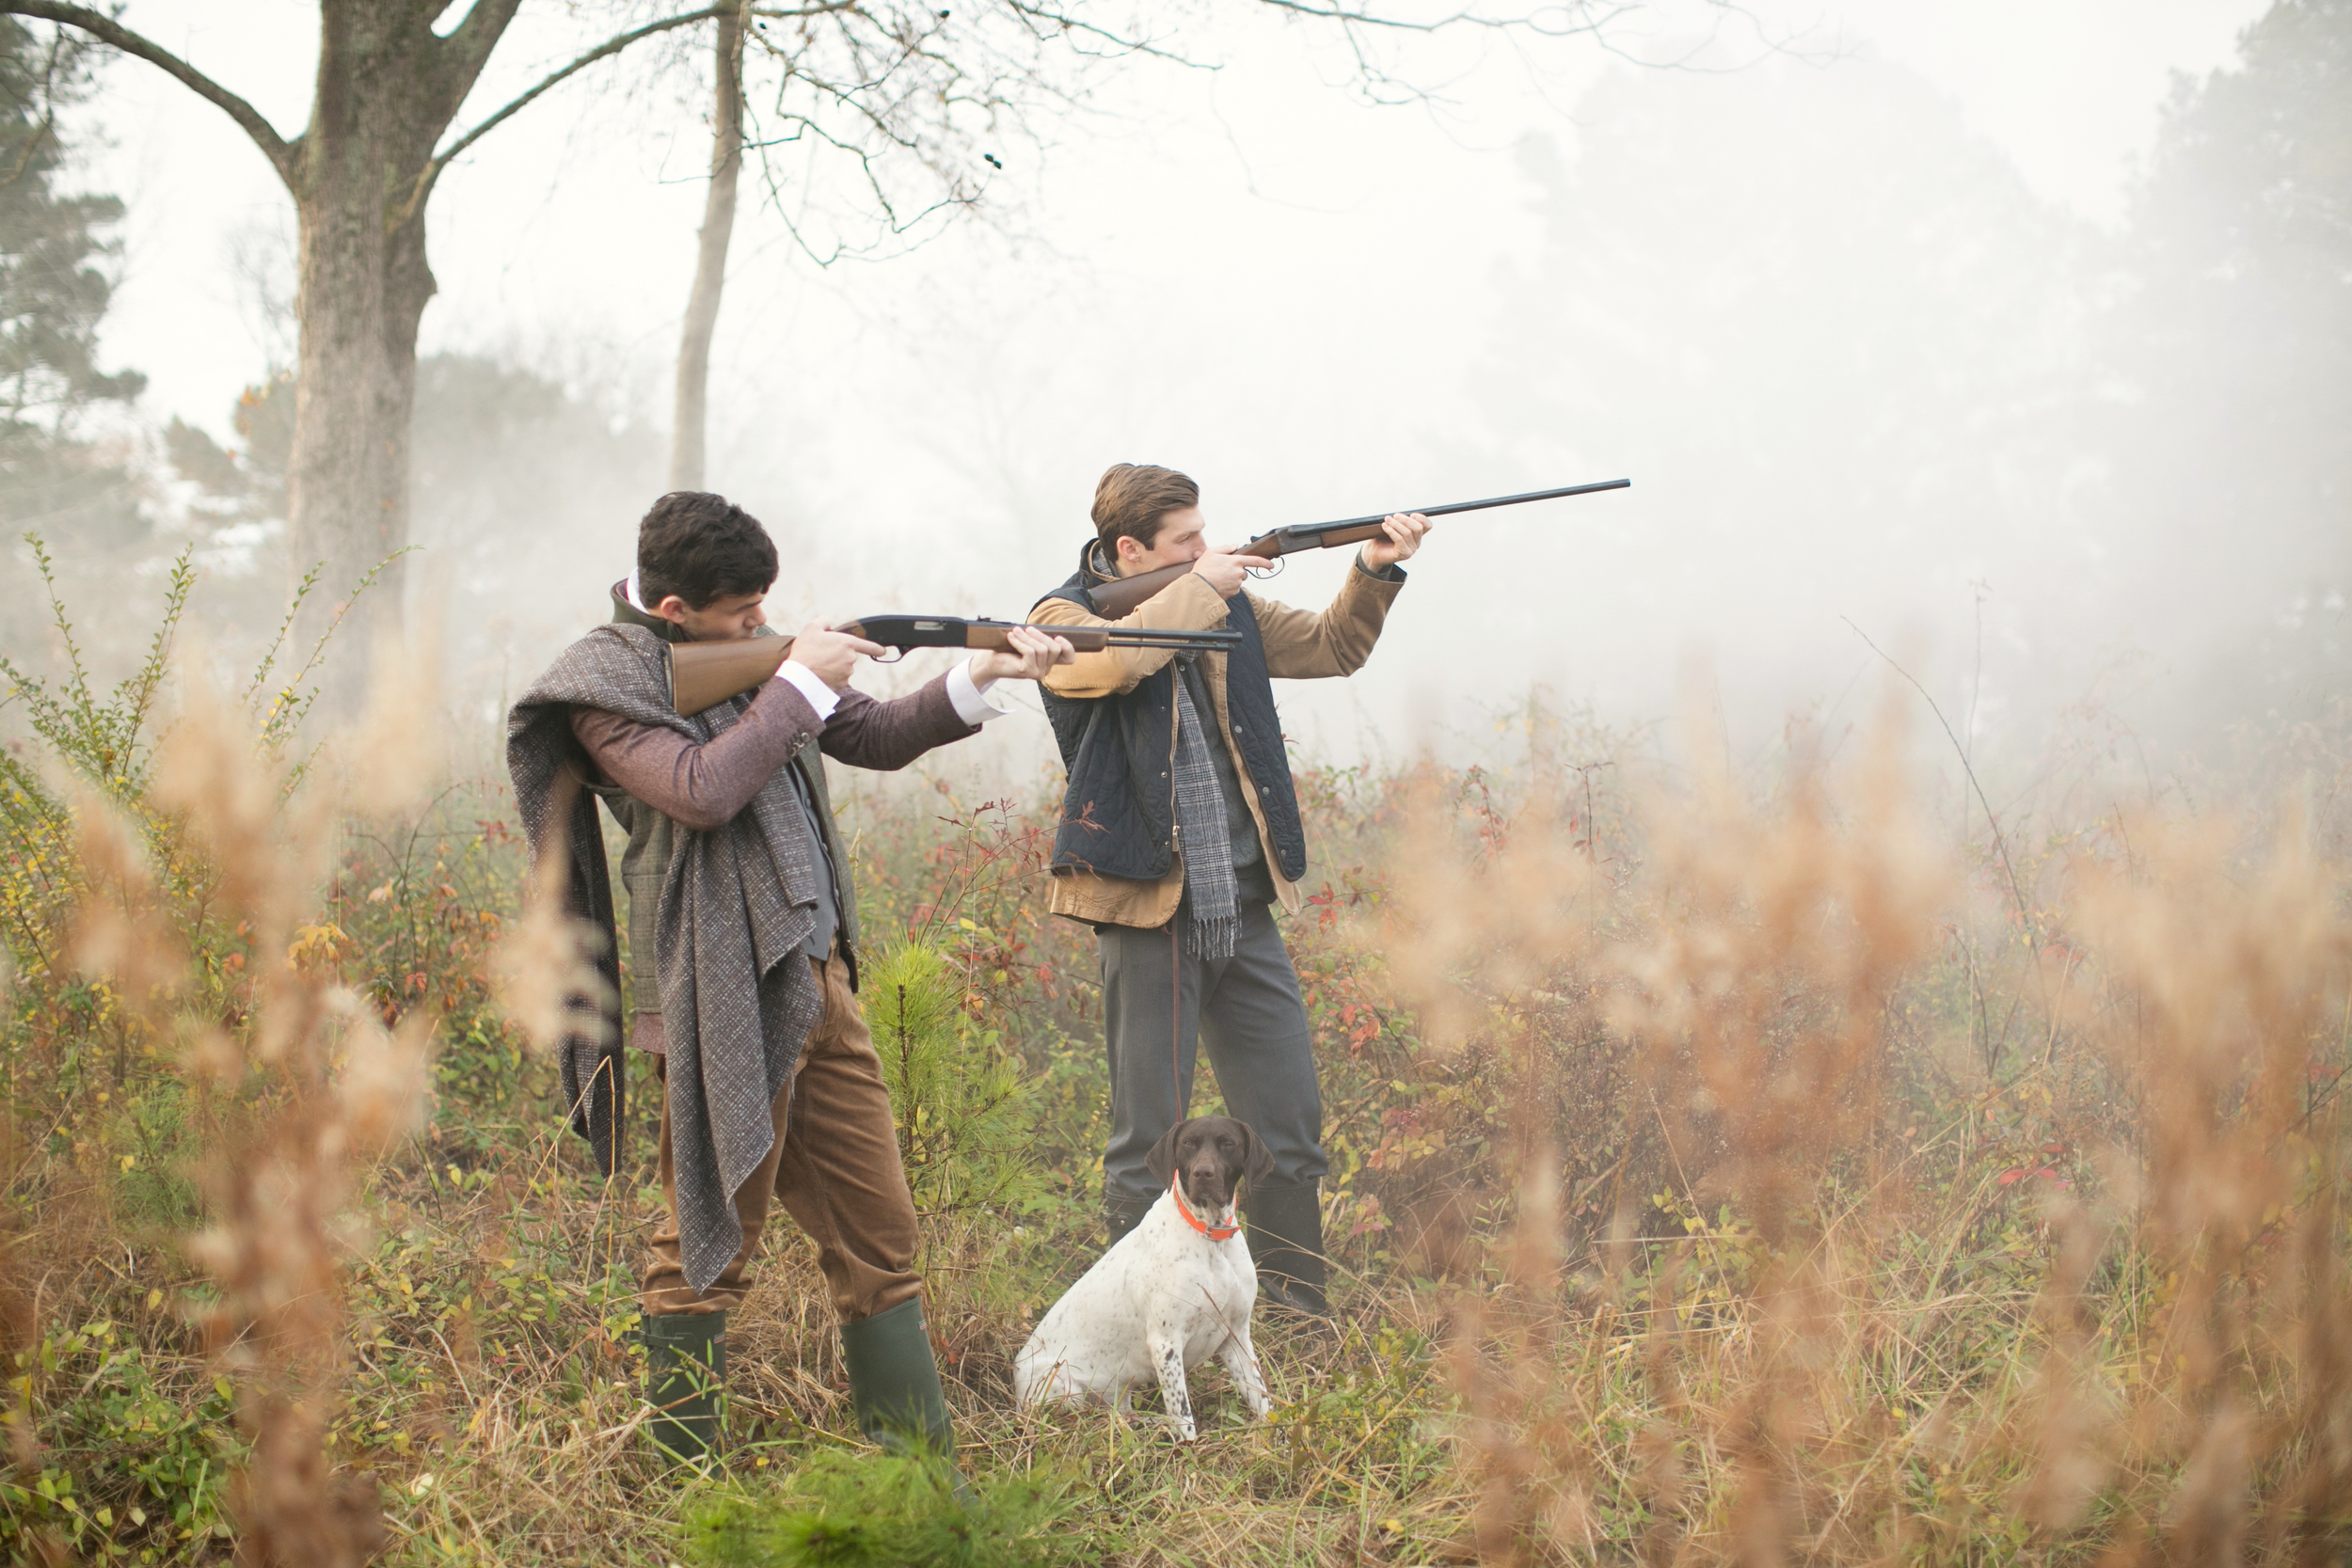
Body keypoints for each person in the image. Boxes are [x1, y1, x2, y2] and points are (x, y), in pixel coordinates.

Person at [506, 490, 1071, 1464]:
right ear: (676, 610)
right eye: (741, 616)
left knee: (879, 1233)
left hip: (818, 974)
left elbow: (876, 734)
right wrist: (799, 682)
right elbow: (702, 790)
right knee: (703, 1242)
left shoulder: (763, 650)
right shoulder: (605, 682)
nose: (761, 626)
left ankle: (915, 1479)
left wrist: (979, 673)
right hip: (713, 984)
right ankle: (685, 1484)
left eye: (767, 608)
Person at [1026, 464, 1427, 1318]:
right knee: (1147, 1143)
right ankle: (1141, 1324)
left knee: (1287, 1127)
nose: (1208, 551)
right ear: (1130, 549)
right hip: (1146, 908)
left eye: (1204, 536)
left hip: (1241, 903)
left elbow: (1332, 646)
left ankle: (1292, 1311)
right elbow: (1105, 672)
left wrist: (1374, 570)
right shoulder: (1058, 618)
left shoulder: (1226, 603)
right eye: (1186, 542)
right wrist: (1203, 589)